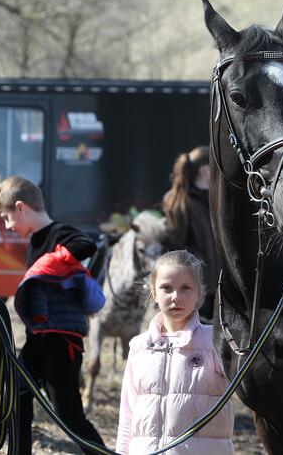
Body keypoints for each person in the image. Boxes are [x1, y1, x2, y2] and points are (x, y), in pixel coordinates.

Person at [0, 176, 105, 455]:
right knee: (15, 393)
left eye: (7, 218)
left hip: (62, 340)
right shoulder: (34, 241)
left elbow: (86, 245)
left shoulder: (60, 233)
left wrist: (49, 263)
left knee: (68, 414)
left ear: (21, 207)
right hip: (38, 337)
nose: (8, 226)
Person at [116, 250, 234, 454]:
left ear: (199, 293)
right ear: (153, 292)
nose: (175, 297)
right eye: (166, 288)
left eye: (185, 288)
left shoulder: (216, 340)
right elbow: (127, 414)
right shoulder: (139, 347)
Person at [162, 145, 219, 323]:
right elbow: (174, 246)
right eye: (214, 167)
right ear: (204, 170)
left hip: (215, 285)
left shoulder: (212, 199)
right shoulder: (179, 201)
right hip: (194, 286)